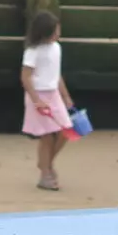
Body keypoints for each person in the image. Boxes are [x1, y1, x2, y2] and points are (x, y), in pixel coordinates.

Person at [20, 10, 75, 192]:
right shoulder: (33, 51)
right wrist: (36, 100)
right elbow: (25, 76)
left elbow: (56, 75)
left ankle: (46, 164)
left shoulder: (56, 48)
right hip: (39, 95)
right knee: (47, 136)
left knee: (67, 131)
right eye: (55, 30)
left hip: (53, 95)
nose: (58, 33)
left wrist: (66, 96)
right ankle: (45, 174)